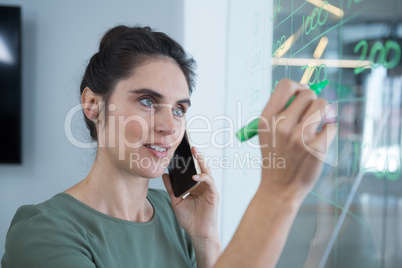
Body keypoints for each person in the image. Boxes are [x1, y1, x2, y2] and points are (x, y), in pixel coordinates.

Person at [1, 25, 335, 268]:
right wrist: (278, 195)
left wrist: (205, 241)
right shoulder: (43, 231)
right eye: (147, 101)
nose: (169, 126)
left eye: (179, 109)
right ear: (91, 103)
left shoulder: (174, 214)